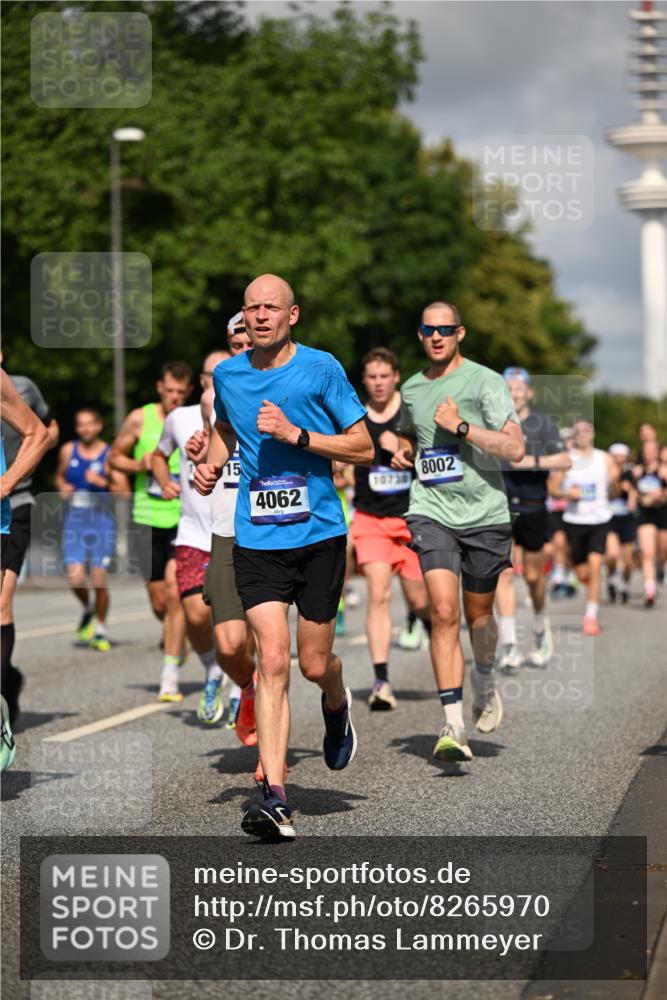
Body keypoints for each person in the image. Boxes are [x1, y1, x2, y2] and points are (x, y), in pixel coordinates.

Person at [195, 273, 373, 840]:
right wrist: (211, 460)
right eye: (252, 308)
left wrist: (298, 436)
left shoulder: (321, 368)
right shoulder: (228, 374)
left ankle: (337, 700)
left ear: (292, 315)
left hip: (318, 535)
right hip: (257, 538)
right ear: (242, 317)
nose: (261, 316)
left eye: (272, 307)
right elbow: (229, 429)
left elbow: (363, 447)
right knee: (272, 659)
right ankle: (273, 797)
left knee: (312, 663)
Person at [393, 302, 525, 762]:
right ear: (420, 333)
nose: (437, 336)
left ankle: (484, 679)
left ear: (460, 333)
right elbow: (411, 436)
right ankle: (452, 724)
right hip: (431, 511)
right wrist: (402, 449)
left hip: (486, 515)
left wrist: (462, 428)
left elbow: (514, 447)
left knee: (479, 619)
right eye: (429, 329)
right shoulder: (410, 388)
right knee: (443, 611)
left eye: (445, 329)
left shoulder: (485, 381)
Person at [350, 347, 430, 709]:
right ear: (364, 380)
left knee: (419, 600)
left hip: (412, 517)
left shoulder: (411, 412)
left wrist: (399, 446)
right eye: (372, 377)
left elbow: (436, 457)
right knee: (378, 594)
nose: (378, 383)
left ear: (396, 376)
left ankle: (430, 623)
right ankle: (381, 679)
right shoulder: (353, 415)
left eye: (384, 376)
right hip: (370, 519)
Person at [152, 352, 230, 720]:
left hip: (235, 530)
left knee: (241, 625)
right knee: (196, 615)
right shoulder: (179, 418)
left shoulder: (244, 408)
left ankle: (244, 686)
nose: (215, 379)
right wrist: (164, 478)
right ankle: (213, 667)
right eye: (209, 374)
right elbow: (158, 454)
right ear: (201, 379)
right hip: (193, 531)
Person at [109, 362, 192, 701]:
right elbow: (114, 457)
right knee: (159, 602)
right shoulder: (140, 419)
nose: (174, 398)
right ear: (159, 387)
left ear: (188, 393)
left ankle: (169, 675)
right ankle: (176, 634)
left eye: (180, 393)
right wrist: (139, 464)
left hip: (182, 517)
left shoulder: (191, 419)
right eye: (169, 391)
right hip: (146, 516)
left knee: (175, 593)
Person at [495, 367, 571, 669]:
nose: (514, 393)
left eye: (519, 388)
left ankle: (540, 626)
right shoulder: (494, 422)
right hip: (500, 506)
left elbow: (565, 459)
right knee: (503, 572)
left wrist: (532, 461)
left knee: (534, 575)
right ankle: (510, 644)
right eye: (508, 388)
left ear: (529, 392)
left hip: (533, 505)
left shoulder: (542, 424)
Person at [0, 356, 59, 732]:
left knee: (1, 605)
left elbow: (42, 431)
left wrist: (6, 484)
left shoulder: (16, 386)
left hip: (15, 503)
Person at [54, 408, 119, 651]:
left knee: (99, 579)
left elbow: (120, 490)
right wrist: (62, 487)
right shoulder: (67, 450)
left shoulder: (109, 454)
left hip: (102, 522)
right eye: (81, 425)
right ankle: (88, 608)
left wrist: (102, 482)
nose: (85, 429)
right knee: (75, 578)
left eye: (90, 424)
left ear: (99, 426)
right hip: (75, 522)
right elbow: (59, 477)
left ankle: (101, 630)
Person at [549, 420, 617, 634]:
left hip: (599, 520)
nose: (583, 434)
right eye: (578, 431)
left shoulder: (604, 458)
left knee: (595, 566)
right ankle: (588, 586)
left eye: (586, 430)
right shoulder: (567, 460)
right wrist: (569, 494)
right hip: (574, 521)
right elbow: (552, 488)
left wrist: (615, 485)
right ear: (574, 435)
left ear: (593, 433)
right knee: (581, 572)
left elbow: (616, 486)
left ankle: (590, 616)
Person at [633, 438, 667, 607]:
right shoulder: (637, 471)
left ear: (657, 453)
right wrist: (638, 498)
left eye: (652, 451)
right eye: (646, 451)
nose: (649, 455)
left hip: (662, 513)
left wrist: (660, 494)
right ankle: (650, 589)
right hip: (645, 514)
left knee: (662, 551)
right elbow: (631, 493)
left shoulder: (664, 471)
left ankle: (661, 567)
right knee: (647, 553)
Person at [605, 443, 637, 605]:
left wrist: (631, 494)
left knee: (628, 561)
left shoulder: (630, 473)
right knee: (612, 555)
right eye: (615, 456)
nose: (618, 459)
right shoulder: (605, 474)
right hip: (610, 518)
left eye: (621, 456)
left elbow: (634, 492)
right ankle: (611, 578)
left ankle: (624, 585)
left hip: (626, 519)